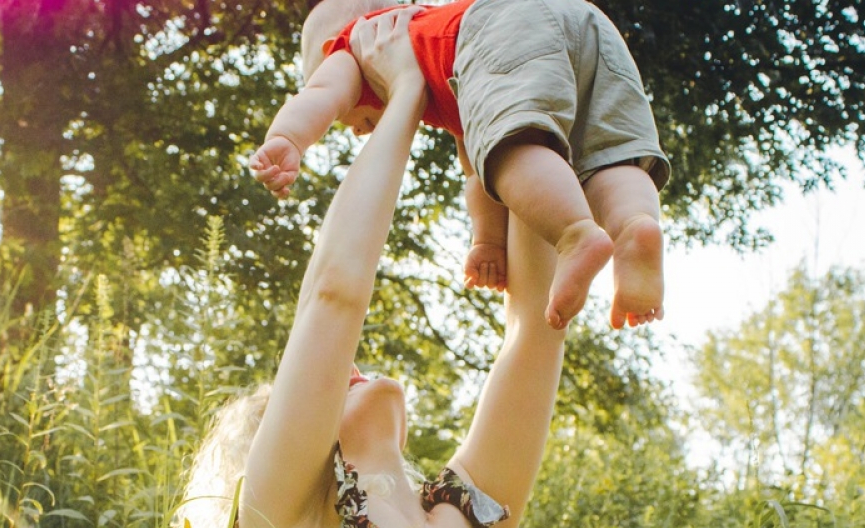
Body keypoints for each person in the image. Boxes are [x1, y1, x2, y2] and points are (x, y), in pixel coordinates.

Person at [177, 12, 563, 528]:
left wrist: (500, 100)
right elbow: (335, 297)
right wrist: (404, 100)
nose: (346, 368)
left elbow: (537, 325)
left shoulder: (471, 517)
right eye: (316, 388)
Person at [249, 0, 670, 332]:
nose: (357, 131)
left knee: (511, 151)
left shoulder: (359, 44)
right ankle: (635, 226)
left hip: (502, 22)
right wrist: (487, 242)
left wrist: (287, 139)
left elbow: (322, 92)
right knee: (607, 152)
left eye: (349, 120)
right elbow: (477, 173)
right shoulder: (444, 53)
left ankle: (576, 234)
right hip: (585, 21)